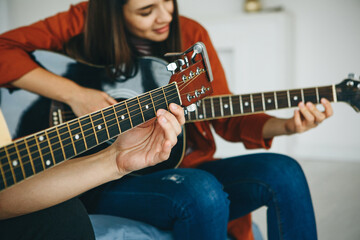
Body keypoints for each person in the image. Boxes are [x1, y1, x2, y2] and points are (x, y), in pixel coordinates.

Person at [0, 0, 333, 239]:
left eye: (168, 1)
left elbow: (225, 115)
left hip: (174, 169)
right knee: (200, 190)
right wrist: (73, 94)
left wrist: (286, 125)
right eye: (146, 10)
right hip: (97, 175)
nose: (165, 16)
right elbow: (3, 49)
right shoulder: (84, 20)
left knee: (284, 171)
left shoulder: (189, 33)